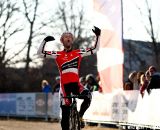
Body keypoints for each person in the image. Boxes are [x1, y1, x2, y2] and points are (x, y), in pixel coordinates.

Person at [37, 26, 101, 130]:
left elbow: (95, 49)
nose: (68, 38)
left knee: (88, 96)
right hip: (64, 87)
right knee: (65, 117)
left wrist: (98, 36)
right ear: (61, 41)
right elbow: (40, 54)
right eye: (65, 37)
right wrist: (45, 41)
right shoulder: (57, 54)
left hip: (76, 85)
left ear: (72, 40)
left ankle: (80, 116)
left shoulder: (78, 52)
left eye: (70, 37)